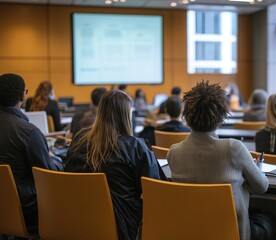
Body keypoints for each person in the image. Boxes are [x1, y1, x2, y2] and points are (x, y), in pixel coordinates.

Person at [167, 81, 276, 240]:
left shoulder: (174, 153)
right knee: (275, 222)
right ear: (221, 116)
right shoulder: (234, 148)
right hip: (234, 233)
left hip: (192, 232)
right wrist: (252, 169)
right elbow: (262, 187)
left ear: (186, 116)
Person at [64, 90, 166, 240]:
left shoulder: (79, 140)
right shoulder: (135, 147)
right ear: (126, 115)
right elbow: (157, 190)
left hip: (79, 222)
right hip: (123, 226)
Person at [0, 73, 63, 234]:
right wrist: (55, 158)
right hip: (27, 210)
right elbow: (49, 174)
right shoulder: (28, 132)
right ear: (22, 95)